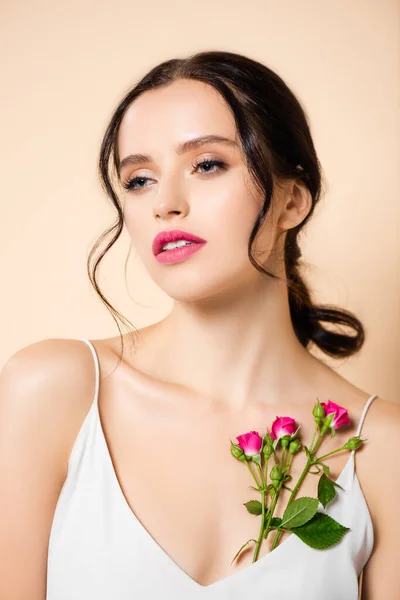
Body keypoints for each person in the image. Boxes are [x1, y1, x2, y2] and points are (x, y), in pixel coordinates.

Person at [0, 50, 398, 600]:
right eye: (139, 179)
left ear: (292, 199)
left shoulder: (383, 450)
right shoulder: (53, 391)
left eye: (207, 164)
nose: (165, 203)